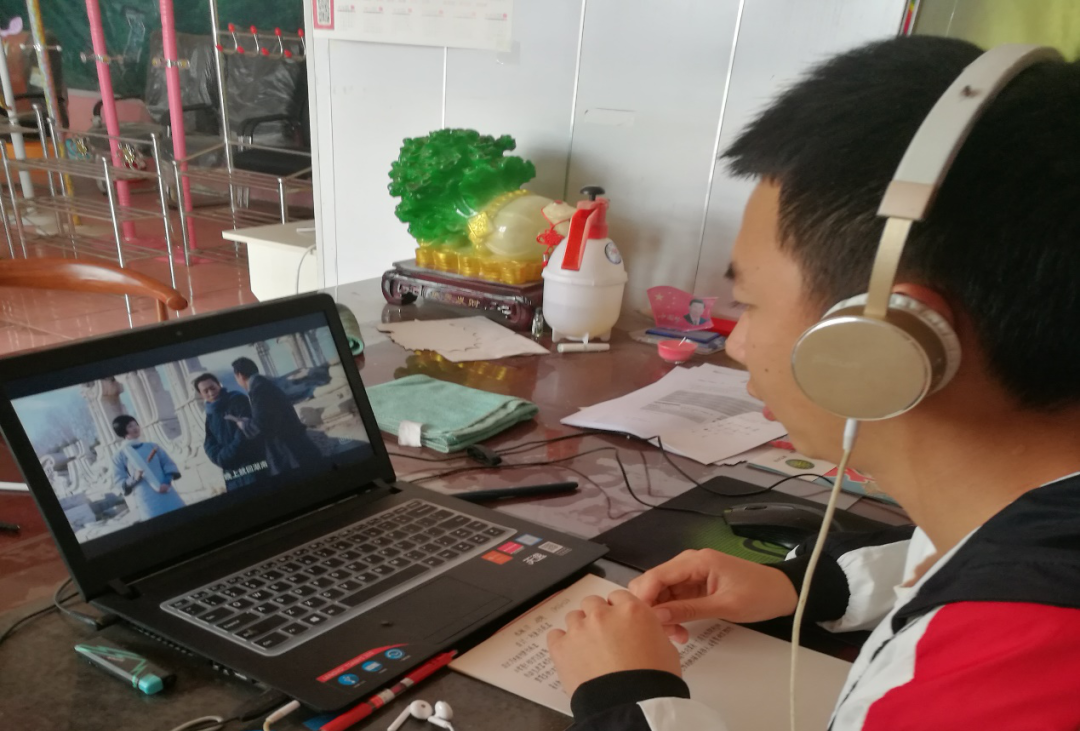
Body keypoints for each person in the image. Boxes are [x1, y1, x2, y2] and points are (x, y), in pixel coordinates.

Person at [548, 37, 1080, 730]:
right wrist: (811, 584)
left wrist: (624, 697)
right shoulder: (1035, 530)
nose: (736, 343)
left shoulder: (996, 688)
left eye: (750, 302)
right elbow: (966, 554)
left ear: (891, 336)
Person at [231, 357, 322, 474]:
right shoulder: (266, 385)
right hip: (298, 447)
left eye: (235, 378)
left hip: (292, 454)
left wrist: (244, 424)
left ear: (240, 375)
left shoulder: (259, 389)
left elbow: (261, 424)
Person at [194, 373, 268, 491]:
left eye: (212, 388)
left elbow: (244, 432)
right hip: (230, 471)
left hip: (251, 464)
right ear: (201, 394)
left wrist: (226, 455)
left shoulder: (237, 400)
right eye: (205, 391)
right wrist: (219, 458)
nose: (211, 393)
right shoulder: (210, 413)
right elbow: (209, 442)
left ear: (219, 385)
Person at [110, 415, 186, 521]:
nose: (135, 428)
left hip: (167, 491)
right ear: (122, 430)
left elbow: (168, 464)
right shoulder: (119, 455)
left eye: (136, 424)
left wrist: (166, 482)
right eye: (130, 426)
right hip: (147, 499)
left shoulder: (152, 446)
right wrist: (134, 478)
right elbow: (119, 481)